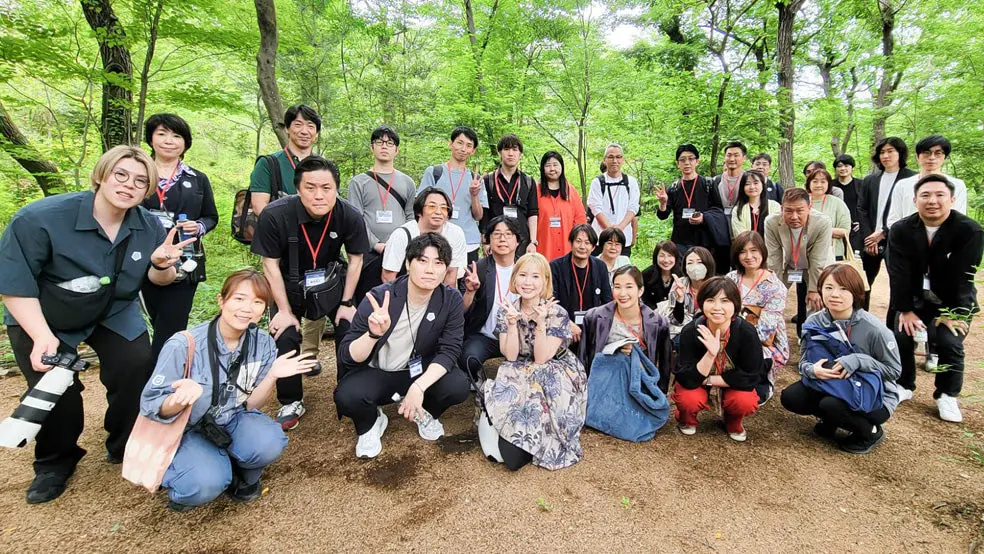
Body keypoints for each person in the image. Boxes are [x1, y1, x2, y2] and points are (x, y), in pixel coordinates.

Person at [0, 145, 192, 504]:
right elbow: (13, 284)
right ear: (101, 175)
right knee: (55, 385)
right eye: (121, 175)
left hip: (113, 309)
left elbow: (158, 280)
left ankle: (125, 442)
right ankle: (55, 462)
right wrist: (41, 336)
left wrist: (162, 265)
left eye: (140, 181)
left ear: (147, 190)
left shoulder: (149, 225)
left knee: (136, 364)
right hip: (46, 314)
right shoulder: (40, 218)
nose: (129, 185)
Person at [139, 270, 318, 511]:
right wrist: (177, 401)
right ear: (221, 301)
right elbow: (150, 404)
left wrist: (272, 376)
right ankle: (190, 476)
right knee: (202, 484)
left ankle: (235, 471)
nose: (247, 308)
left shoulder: (263, 343)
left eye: (257, 302)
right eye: (239, 298)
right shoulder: (184, 345)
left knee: (270, 440)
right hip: (186, 429)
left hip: (231, 418)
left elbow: (251, 404)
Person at [251, 156, 370, 431]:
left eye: (326, 188)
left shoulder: (349, 215)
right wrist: (283, 310)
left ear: (336, 188)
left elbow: (356, 260)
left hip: (331, 280)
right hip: (288, 283)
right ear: (298, 189)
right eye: (310, 187)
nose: (319, 195)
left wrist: (347, 302)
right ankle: (291, 400)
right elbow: (269, 264)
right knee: (285, 334)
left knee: (350, 327)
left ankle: (349, 391)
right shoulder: (275, 214)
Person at [334, 233, 470, 458]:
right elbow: (347, 355)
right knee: (348, 396)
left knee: (457, 385)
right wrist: (372, 334)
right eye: (422, 261)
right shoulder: (380, 298)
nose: (430, 270)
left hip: (417, 371)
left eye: (438, 263)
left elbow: (450, 349)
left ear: (446, 269)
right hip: (378, 373)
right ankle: (371, 422)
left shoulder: (450, 299)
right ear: (407, 264)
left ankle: (423, 410)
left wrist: (419, 387)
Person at [888, 175, 984, 423]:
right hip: (915, 299)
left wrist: (953, 313)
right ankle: (904, 383)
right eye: (925, 195)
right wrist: (906, 310)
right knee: (901, 334)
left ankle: (947, 394)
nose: (932, 201)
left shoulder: (969, 230)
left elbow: (964, 276)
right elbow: (898, 273)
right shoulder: (900, 230)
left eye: (939, 195)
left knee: (949, 341)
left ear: (952, 199)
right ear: (915, 200)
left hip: (953, 301)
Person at [480, 253, 587, 470]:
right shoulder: (507, 310)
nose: (528, 282)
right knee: (508, 381)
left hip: (554, 366)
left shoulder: (557, 312)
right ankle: (514, 435)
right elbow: (510, 356)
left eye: (535, 276)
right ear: (514, 278)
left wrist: (540, 323)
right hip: (518, 365)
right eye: (523, 275)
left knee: (541, 380)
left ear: (545, 281)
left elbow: (541, 358)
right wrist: (512, 324)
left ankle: (541, 439)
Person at [781, 264, 902, 454]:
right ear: (820, 290)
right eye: (829, 287)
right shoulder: (814, 321)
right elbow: (804, 362)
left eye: (843, 289)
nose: (835, 294)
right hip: (832, 383)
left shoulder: (874, 329)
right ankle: (831, 419)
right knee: (791, 398)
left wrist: (859, 360)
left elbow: (894, 371)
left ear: (856, 292)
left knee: (830, 405)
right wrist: (813, 370)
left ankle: (870, 431)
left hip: (874, 395)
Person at [140, 113, 218, 359]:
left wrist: (199, 227)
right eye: (162, 134)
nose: (169, 141)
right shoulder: (138, 174)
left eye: (176, 136)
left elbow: (211, 216)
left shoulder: (197, 179)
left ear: (185, 143)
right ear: (151, 138)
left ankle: (162, 372)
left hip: (185, 259)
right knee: (154, 319)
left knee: (172, 323)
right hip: (142, 256)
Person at [671, 277, 764, 442]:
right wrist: (710, 354)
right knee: (688, 398)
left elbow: (751, 376)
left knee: (744, 400)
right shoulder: (691, 331)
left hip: (727, 382)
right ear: (702, 303)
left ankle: (733, 420)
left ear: (735, 304)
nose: (717, 307)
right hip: (697, 380)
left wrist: (709, 380)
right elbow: (685, 377)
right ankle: (687, 419)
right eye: (710, 300)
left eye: (725, 301)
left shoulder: (746, 332)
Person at [348, 125, 417, 300]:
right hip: (368, 253)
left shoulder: (407, 182)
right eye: (379, 142)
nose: (384, 146)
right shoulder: (358, 182)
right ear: (372, 147)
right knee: (368, 299)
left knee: (398, 298)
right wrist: (376, 244)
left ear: (397, 150)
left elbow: (411, 217)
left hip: (401, 252)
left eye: (390, 143)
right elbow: (357, 219)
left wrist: (404, 244)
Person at [580, 266, 672, 391]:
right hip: (604, 385)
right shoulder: (594, 317)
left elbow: (664, 364)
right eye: (617, 287)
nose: (622, 293)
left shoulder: (658, 322)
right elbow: (584, 356)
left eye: (629, 287)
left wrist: (659, 394)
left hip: (640, 386)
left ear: (640, 290)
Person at [726, 231, 789, 404]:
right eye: (742, 252)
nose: (748, 256)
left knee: (754, 353)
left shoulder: (775, 287)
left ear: (762, 251)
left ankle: (763, 382)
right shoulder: (731, 279)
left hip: (762, 339)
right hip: (729, 332)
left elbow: (766, 329)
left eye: (753, 250)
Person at [856, 137, 917, 310]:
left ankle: (894, 321)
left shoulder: (912, 179)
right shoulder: (870, 180)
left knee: (898, 283)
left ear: (900, 153)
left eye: (890, 151)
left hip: (897, 239)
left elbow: (910, 212)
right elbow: (862, 208)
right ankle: (860, 317)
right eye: (882, 152)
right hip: (870, 240)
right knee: (863, 283)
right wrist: (869, 237)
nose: (886, 156)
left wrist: (884, 232)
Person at [460, 216, 521, 383]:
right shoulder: (477, 269)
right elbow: (461, 311)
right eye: (497, 234)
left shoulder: (525, 268)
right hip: (485, 336)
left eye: (508, 234)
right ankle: (478, 380)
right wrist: (470, 292)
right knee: (468, 358)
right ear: (488, 240)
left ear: (517, 241)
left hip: (518, 335)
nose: (502, 239)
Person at [765, 187, 833, 336]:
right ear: (782, 208)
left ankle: (812, 338)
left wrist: (814, 289)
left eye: (800, 211)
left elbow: (818, 260)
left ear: (809, 207)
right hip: (789, 264)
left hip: (815, 266)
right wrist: (774, 288)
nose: (794, 216)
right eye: (788, 211)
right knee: (770, 298)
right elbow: (774, 259)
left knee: (816, 302)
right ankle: (770, 336)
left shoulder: (822, 222)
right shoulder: (771, 222)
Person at [419, 126, 487, 264]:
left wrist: (474, 195)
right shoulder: (434, 173)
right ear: (450, 144)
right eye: (459, 143)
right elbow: (420, 207)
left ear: (473, 151)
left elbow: (478, 216)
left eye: (468, 145)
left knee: (466, 278)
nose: (463, 149)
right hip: (436, 240)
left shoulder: (475, 179)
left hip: (468, 243)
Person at [656, 144, 728, 267]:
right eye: (682, 160)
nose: (687, 163)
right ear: (678, 164)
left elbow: (718, 210)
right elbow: (663, 215)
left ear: (697, 161)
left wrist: (703, 218)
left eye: (690, 159)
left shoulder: (708, 184)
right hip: (680, 242)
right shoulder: (674, 188)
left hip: (704, 242)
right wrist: (662, 203)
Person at [381, 187, 467, 286]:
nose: (438, 212)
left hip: (437, 291)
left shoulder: (455, 233)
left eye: (443, 208)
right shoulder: (401, 235)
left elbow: (451, 275)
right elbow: (388, 277)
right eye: (432, 206)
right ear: (419, 211)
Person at [249, 104, 321, 214]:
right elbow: (259, 207)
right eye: (298, 125)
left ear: (316, 133)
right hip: (280, 224)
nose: (304, 131)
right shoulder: (268, 164)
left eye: (310, 126)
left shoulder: (325, 167)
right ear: (287, 128)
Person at [885, 135, 969, 229]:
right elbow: (893, 220)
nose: (932, 157)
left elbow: (959, 219)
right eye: (926, 153)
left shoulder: (957, 185)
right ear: (917, 157)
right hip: (908, 236)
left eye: (938, 153)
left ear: (945, 157)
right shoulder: (903, 185)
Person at [549, 224, 613, 342]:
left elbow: (607, 302)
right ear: (571, 243)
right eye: (578, 241)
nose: (582, 246)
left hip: (593, 327)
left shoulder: (600, 266)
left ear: (593, 247)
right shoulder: (556, 266)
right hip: (564, 326)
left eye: (587, 243)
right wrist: (567, 323)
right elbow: (551, 302)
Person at [480, 134, 538, 255]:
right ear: (499, 153)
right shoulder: (488, 180)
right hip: (497, 240)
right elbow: (485, 213)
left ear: (520, 154)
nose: (510, 153)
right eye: (506, 149)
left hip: (522, 241)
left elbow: (532, 213)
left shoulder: (528, 181)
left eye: (515, 149)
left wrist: (533, 242)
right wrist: (485, 241)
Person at [587, 144, 640, 257]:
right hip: (600, 239)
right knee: (598, 267)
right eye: (610, 157)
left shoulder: (631, 182)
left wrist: (620, 228)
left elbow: (633, 207)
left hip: (623, 238)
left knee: (622, 267)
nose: (615, 161)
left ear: (623, 159)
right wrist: (610, 231)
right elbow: (595, 208)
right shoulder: (597, 182)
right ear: (604, 160)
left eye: (618, 157)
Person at [535, 151, 587, 261]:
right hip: (543, 247)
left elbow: (580, 219)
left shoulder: (571, 191)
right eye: (548, 165)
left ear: (562, 167)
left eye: (555, 165)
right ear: (542, 168)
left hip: (567, 248)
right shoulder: (535, 191)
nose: (552, 169)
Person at [662, 246, 716, 340]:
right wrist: (680, 300)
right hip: (681, 331)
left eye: (699, 262)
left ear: (708, 264)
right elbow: (676, 320)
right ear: (685, 267)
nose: (695, 267)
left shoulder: (716, 285)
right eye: (690, 263)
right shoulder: (679, 283)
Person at [806, 169, 852, 260]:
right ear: (809, 183)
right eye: (815, 181)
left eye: (823, 182)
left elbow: (845, 231)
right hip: (804, 254)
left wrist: (818, 230)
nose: (819, 185)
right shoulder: (801, 202)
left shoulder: (837, 203)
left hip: (833, 253)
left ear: (828, 184)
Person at [730, 170, 779, 237]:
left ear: (762, 185)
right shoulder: (738, 210)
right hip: (746, 243)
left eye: (756, 183)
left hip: (771, 243)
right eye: (747, 184)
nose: (752, 187)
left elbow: (777, 232)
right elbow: (740, 235)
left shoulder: (775, 206)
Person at [832, 154, 863, 254]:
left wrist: (862, 222)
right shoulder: (830, 186)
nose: (843, 168)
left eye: (846, 166)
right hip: (836, 228)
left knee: (855, 257)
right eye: (839, 166)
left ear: (852, 168)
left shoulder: (861, 185)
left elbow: (869, 206)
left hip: (856, 228)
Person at [641, 240, 682, 309]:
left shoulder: (682, 275)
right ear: (656, 257)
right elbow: (644, 300)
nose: (666, 260)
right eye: (662, 256)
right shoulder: (646, 275)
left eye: (670, 256)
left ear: (676, 257)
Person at [712, 141, 746, 213]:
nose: (732, 159)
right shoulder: (715, 180)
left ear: (744, 158)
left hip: (743, 218)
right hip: (720, 218)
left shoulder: (749, 180)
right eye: (729, 155)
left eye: (736, 155)